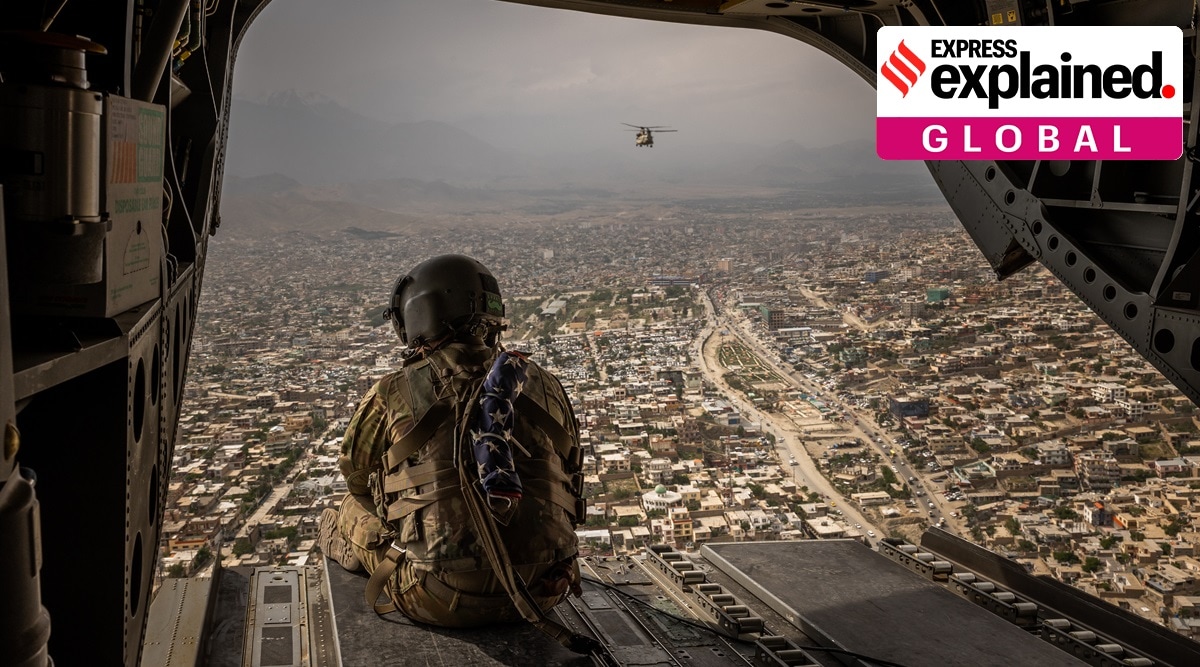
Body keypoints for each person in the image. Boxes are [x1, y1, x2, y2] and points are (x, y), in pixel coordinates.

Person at [316, 254, 587, 636]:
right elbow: (572, 475)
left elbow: (356, 477)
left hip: (438, 598)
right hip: (546, 590)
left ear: (419, 314)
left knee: (348, 507)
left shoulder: (393, 391)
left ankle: (362, 550)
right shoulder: (545, 384)